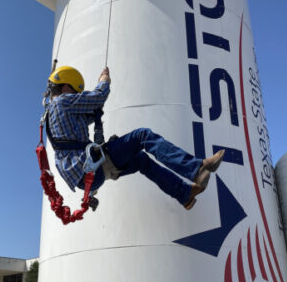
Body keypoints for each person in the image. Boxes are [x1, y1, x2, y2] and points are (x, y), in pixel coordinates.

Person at [47, 65, 225, 210]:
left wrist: (94, 114)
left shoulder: (51, 115)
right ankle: (197, 169)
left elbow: (80, 124)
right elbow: (99, 97)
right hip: (91, 168)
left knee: (141, 161)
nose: (77, 96)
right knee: (143, 136)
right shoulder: (62, 101)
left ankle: (184, 194)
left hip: (87, 177)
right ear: (65, 87)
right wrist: (104, 82)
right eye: (75, 92)